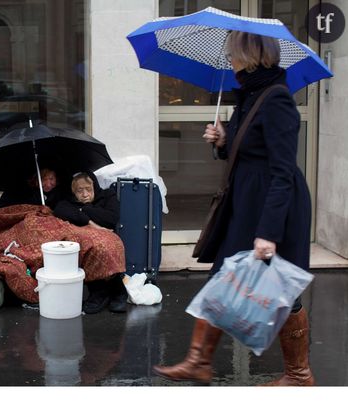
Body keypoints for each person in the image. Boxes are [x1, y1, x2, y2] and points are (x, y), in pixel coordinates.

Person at [153, 31, 314, 386]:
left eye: (233, 54)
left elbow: (282, 171)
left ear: (251, 54)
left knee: (280, 288)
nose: (230, 60)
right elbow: (248, 151)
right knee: (225, 274)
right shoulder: (250, 96)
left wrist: (269, 232)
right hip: (246, 201)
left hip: (274, 203)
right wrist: (224, 142)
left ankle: (299, 375)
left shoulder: (277, 100)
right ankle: (199, 361)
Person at [53, 172, 127, 313]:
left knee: (105, 246)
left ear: (94, 187)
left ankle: (118, 291)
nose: (85, 194)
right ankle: (99, 292)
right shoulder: (68, 202)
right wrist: (90, 222)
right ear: (74, 192)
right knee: (89, 247)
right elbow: (60, 210)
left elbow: (111, 218)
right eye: (80, 191)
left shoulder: (107, 196)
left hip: (108, 238)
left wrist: (85, 209)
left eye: (88, 189)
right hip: (87, 240)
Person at [0, 168, 65, 210]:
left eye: (51, 179)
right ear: (36, 181)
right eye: (43, 179)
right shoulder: (27, 192)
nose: (48, 183)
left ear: (56, 180)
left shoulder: (60, 193)